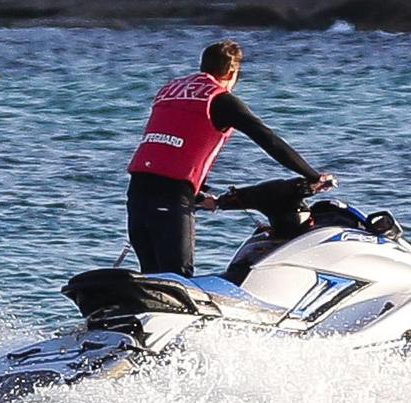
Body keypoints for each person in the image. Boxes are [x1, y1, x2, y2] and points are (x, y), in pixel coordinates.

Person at [126, 40, 335, 277]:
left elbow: (174, 142)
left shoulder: (168, 91)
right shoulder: (220, 100)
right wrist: (313, 175)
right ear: (232, 72)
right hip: (172, 194)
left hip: (137, 190)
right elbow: (268, 139)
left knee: (152, 274)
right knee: (176, 276)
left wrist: (197, 194)